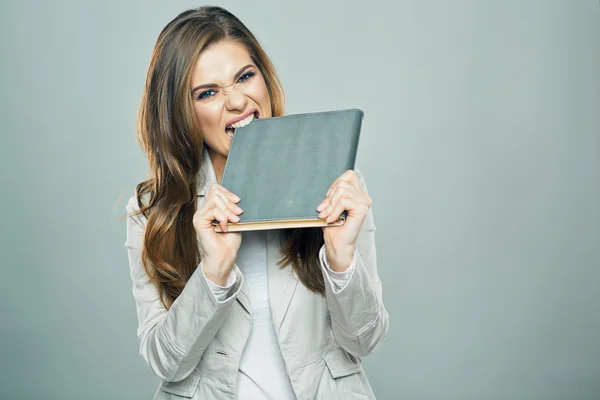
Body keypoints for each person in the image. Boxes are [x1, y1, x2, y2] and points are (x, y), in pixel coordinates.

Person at [124, 6, 389, 400]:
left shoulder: (336, 184)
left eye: (245, 76)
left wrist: (341, 259)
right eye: (208, 93)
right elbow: (165, 363)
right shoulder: (152, 212)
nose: (236, 101)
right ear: (182, 112)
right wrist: (213, 273)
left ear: (264, 78)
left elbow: (364, 342)